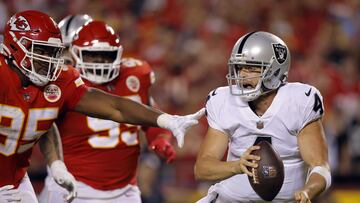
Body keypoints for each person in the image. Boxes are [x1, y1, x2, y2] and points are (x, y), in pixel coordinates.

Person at [0, 10, 204, 203]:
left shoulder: (61, 80)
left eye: (54, 52)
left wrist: (166, 120)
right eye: (42, 51)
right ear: (16, 46)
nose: (49, 60)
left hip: (16, 181)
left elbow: (115, 107)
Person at [38, 19, 177, 203]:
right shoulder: (63, 82)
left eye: (106, 55)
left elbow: (153, 119)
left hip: (125, 189)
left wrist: (160, 138)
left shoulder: (133, 76)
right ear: (74, 54)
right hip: (73, 184)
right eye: (91, 55)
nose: (100, 62)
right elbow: (40, 128)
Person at [194, 31, 331, 203]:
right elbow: (202, 168)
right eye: (239, 67)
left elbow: (320, 166)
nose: (242, 75)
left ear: (275, 71)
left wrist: (308, 191)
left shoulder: (299, 101)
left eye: (251, 68)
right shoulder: (223, 100)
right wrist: (237, 166)